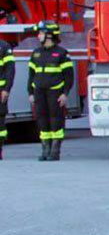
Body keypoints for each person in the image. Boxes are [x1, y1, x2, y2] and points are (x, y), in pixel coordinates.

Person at [27, 20, 74, 162]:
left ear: (49, 35)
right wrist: (30, 93)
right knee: (41, 120)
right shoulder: (36, 54)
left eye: (41, 33)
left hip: (55, 93)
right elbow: (31, 75)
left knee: (56, 120)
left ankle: (55, 151)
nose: (38, 36)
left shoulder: (62, 53)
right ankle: (45, 149)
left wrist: (65, 94)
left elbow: (69, 76)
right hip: (39, 92)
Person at [0, 34, 12, 160]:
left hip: (0, 90)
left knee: (0, 122)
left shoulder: (3, 46)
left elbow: (10, 70)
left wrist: (6, 89)